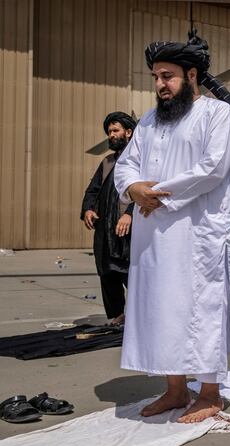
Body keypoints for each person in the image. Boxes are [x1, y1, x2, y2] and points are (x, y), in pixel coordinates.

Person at [114, 34, 230, 423]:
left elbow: (213, 168)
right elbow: (127, 164)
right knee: (162, 311)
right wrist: (133, 188)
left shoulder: (219, 115)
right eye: (155, 77)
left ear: (191, 75)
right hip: (154, 238)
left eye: (167, 76)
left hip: (199, 233)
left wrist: (156, 195)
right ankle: (174, 390)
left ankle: (209, 394)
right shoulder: (151, 120)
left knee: (202, 311)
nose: (160, 85)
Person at [81, 112, 137, 326]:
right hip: (105, 230)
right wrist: (88, 210)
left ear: (129, 132)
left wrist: (129, 215)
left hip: (128, 231)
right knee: (107, 272)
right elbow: (92, 191)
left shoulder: (138, 161)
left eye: (115, 131)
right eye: (109, 132)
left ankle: (140, 315)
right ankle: (119, 314)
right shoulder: (107, 162)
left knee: (130, 273)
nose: (111, 135)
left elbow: (144, 192)